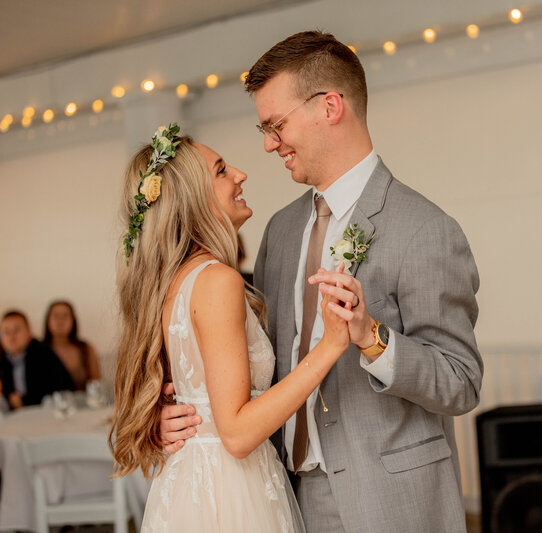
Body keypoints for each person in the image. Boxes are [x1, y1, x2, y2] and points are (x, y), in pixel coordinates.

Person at [161, 31, 482, 532]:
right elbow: (250, 367)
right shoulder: (281, 231)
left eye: (276, 125)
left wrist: (372, 339)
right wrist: (184, 418)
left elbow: (461, 384)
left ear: (330, 107)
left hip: (390, 501)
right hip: (283, 497)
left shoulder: (425, 229)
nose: (269, 144)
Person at [109, 124, 351, 531]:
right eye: (221, 171)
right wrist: (329, 345)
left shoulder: (176, 282)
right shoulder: (216, 280)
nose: (239, 174)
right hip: (228, 490)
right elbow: (237, 435)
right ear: (193, 201)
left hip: (193, 483)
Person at [0, 310, 73, 409]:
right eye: (6, 332)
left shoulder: (43, 354)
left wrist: (23, 401)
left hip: (45, 411)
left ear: (29, 332)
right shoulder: (0, 359)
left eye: (17, 330)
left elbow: (59, 389)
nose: (12, 336)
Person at [43, 300, 101, 391]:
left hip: (83, 404)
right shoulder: (39, 350)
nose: (60, 320)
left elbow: (96, 385)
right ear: (48, 320)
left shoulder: (86, 349)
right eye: (56, 316)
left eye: (65, 316)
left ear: (73, 321)